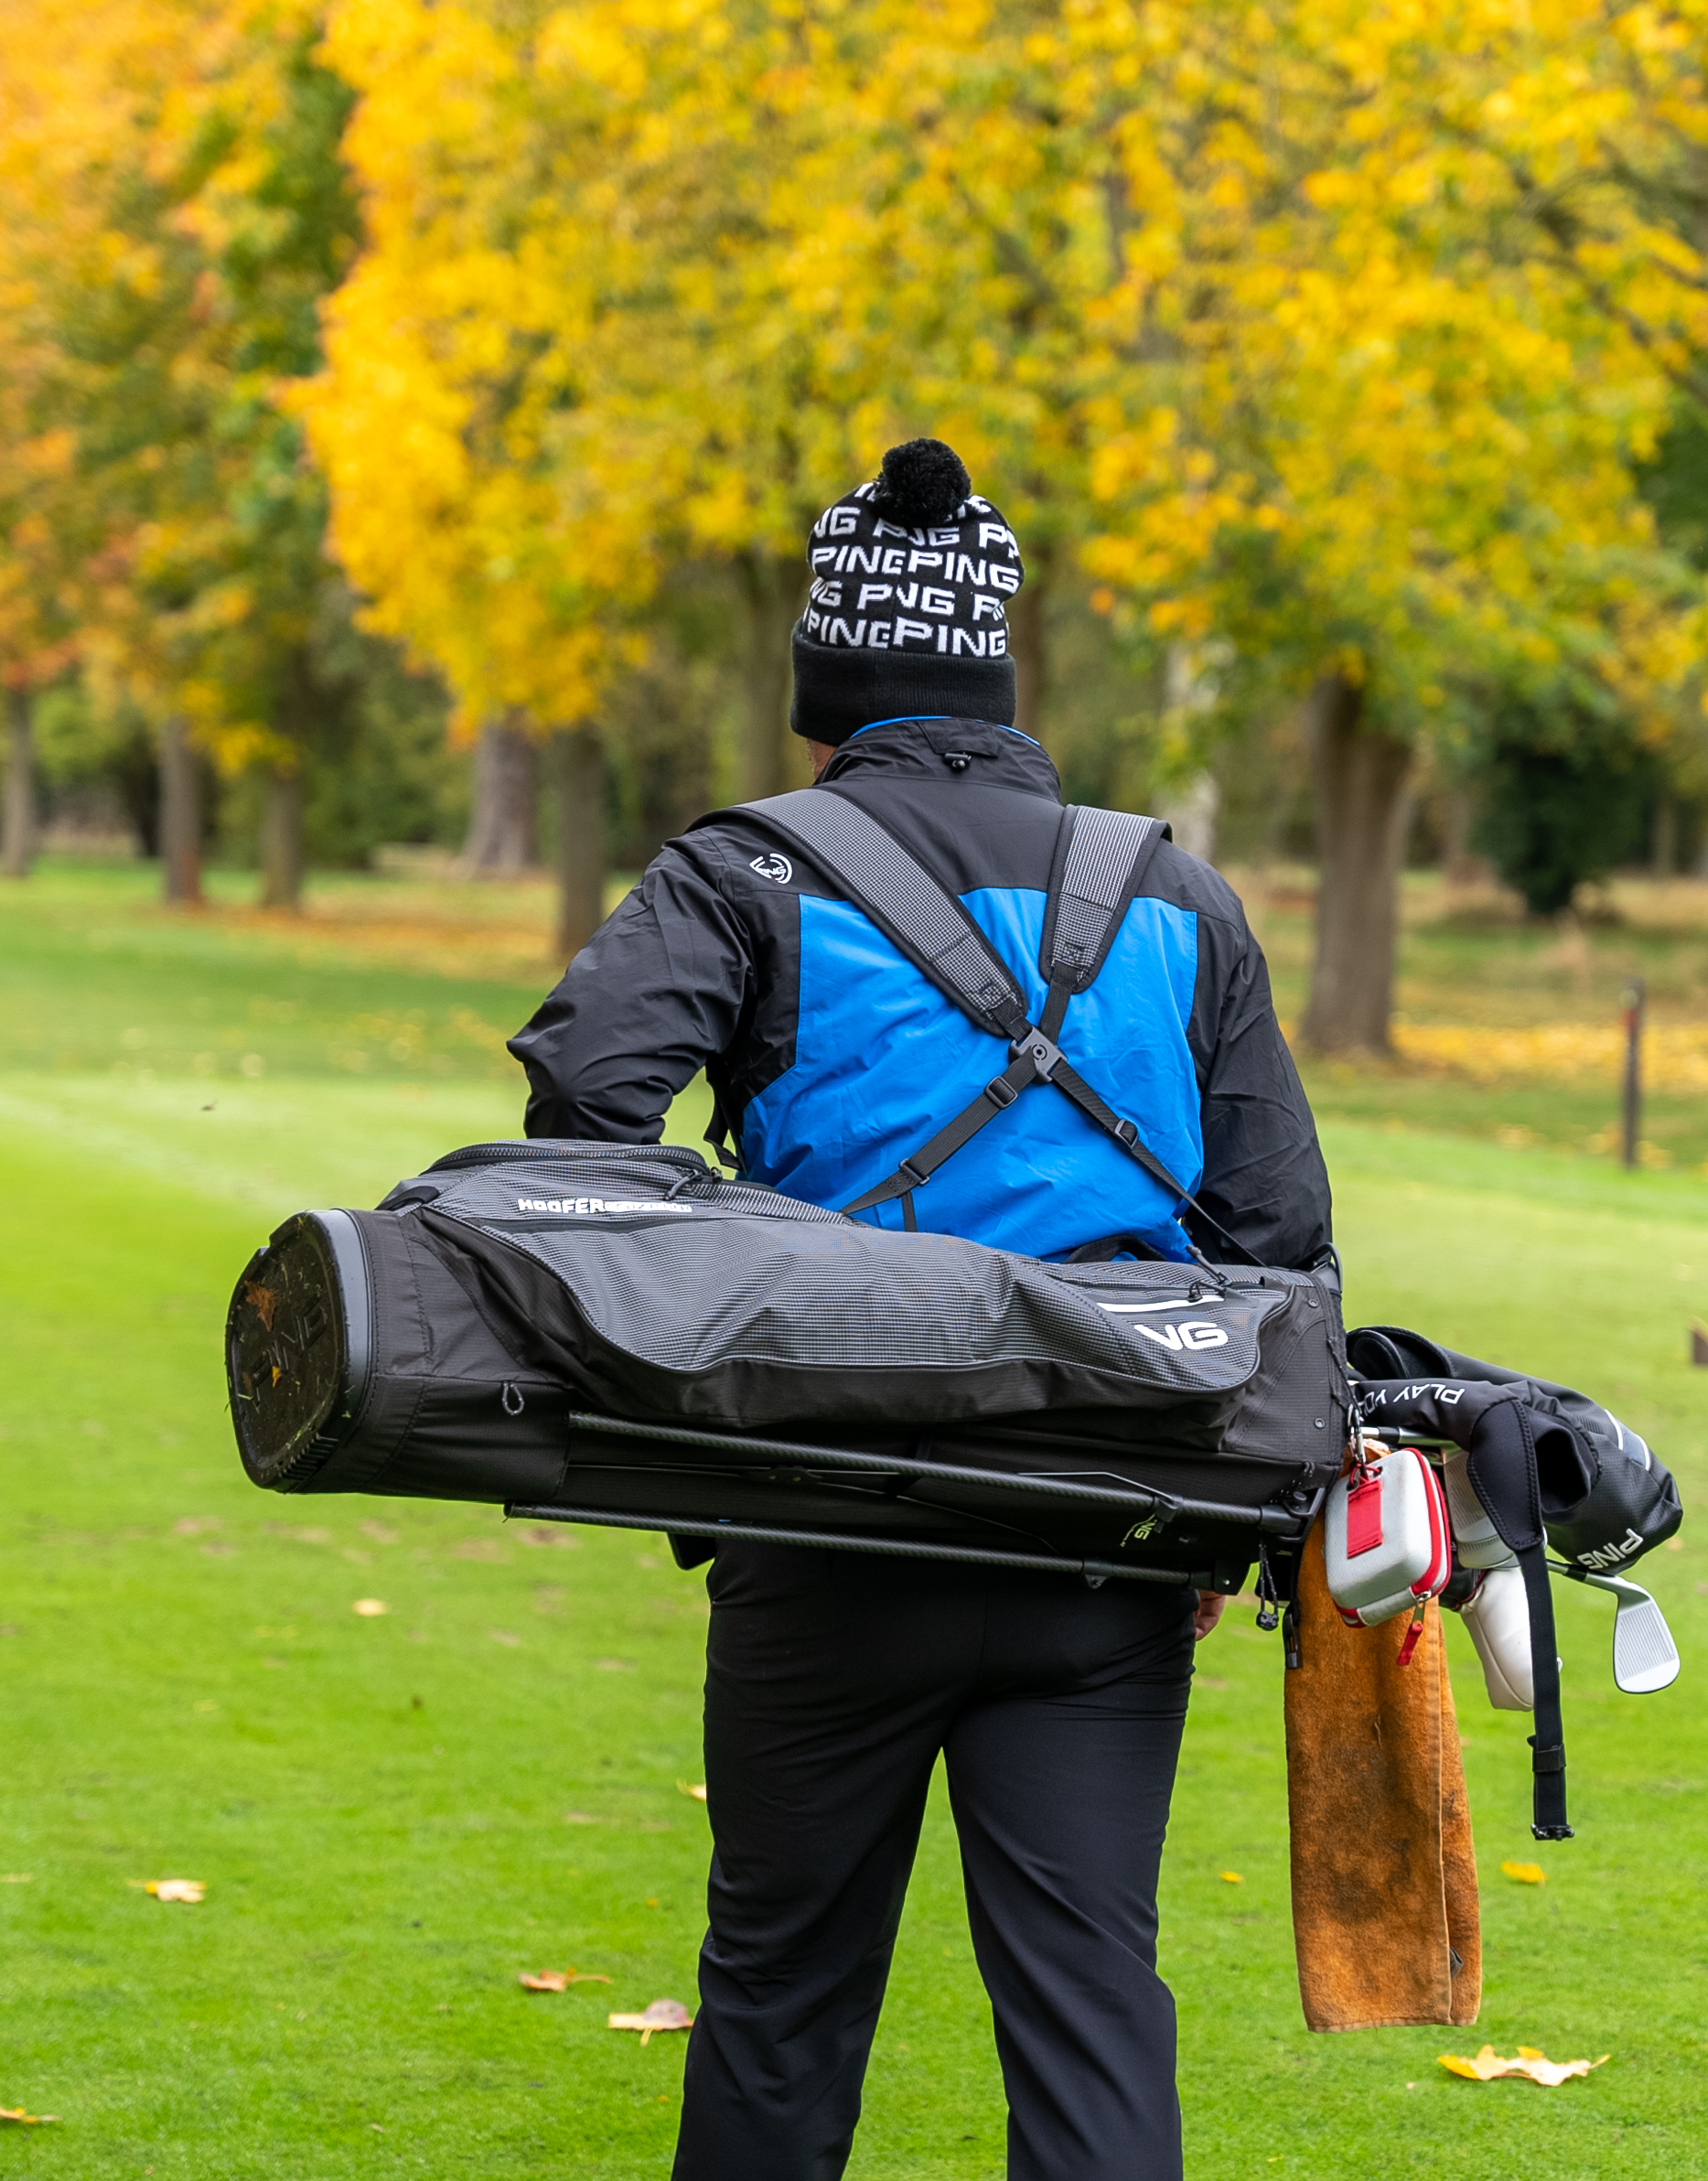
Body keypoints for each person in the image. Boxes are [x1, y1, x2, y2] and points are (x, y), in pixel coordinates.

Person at [510, 438, 1332, 2181]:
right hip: (1111, 1520)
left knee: (782, 1997)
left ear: (829, 691)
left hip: (826, 1517)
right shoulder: (1178, 898)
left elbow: (584, 1113)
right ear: (994, 668)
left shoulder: (748, 871)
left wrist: (731, 1269)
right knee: (1094, 2004)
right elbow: (1285, 1247)